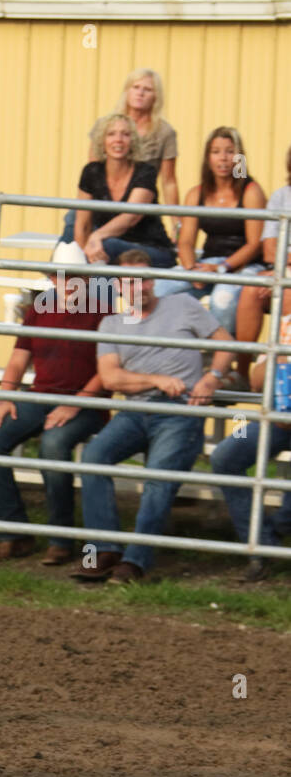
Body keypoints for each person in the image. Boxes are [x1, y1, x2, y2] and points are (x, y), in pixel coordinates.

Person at [73, 249, 236, 585]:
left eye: (146, 279)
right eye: (132, 282)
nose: (141, 287)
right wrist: (155, 380)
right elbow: (110, 379)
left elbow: (227, 344)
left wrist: (212, 378)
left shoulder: (183, 305)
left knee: (158, 475)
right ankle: (102, 551)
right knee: (92, 458)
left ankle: (135, 561)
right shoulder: (112, 323)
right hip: (134, 410)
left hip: (180, 410)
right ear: (119, 285)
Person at [0, 242, 111, 566]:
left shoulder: (103, 310)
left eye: (74, 276)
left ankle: (60, 537)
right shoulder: (39, 309)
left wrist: (76, 403)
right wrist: (6, 396)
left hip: (88, 404)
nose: (67, 282)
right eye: (60, 276)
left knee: (53, 445)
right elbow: (17, 360)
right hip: (40, 395)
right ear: (52, 278)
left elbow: (108, 369)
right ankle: (14, 533)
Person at [154, 127, 266, 350]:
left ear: (239, 157)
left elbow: (255, 244)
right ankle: (163, 353)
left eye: (229, 151)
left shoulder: (251, 191)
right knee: (157, 287)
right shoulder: (197, 193)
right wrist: (191, 268)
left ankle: (220, 359)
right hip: (206, 263)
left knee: (222, 300)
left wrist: (222, 269)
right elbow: (185, 241)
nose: (223, 158)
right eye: (216, 151)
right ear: (207, 157)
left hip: (243, 265)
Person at [60, 69, 179, 242]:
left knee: (109, 242)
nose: (140, 93)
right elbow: (93, 172)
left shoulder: (164, 132)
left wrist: (176, 222)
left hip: (139, 204)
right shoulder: (104, 124)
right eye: (136, 87)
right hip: (104, 200)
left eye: (147, 89)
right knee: (74, 219)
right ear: (127, 91)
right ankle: (60, 267)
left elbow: (169, 182)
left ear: (156, 96)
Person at [209, 354, 291, 582]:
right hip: (276, 417)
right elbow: (256, 383)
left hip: (280, 417)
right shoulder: (284, 322)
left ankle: (269, 537)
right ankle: (263, 544)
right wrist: (280, 355)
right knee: (224, 458)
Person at [75, 113, 176, 269]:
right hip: (109, 250)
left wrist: (96, 236)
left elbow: (131, 217)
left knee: (107, 246)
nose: (118, 140)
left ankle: (94, 292)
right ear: (102, 141)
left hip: (152, 251)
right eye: (111, 134)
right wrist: (83, 254)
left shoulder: (145, 172)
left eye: (125, 134)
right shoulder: (92, 172)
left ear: (133, 141)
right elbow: (82, 224)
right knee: (75, 251)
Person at [231, 144, 291, 385]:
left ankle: (279, 380)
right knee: (251, 290)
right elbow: (268, 250)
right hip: (281, 271)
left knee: (284, 293)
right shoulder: (281, 196)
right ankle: (243, 371)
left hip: (285, 272)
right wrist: (282, 270)